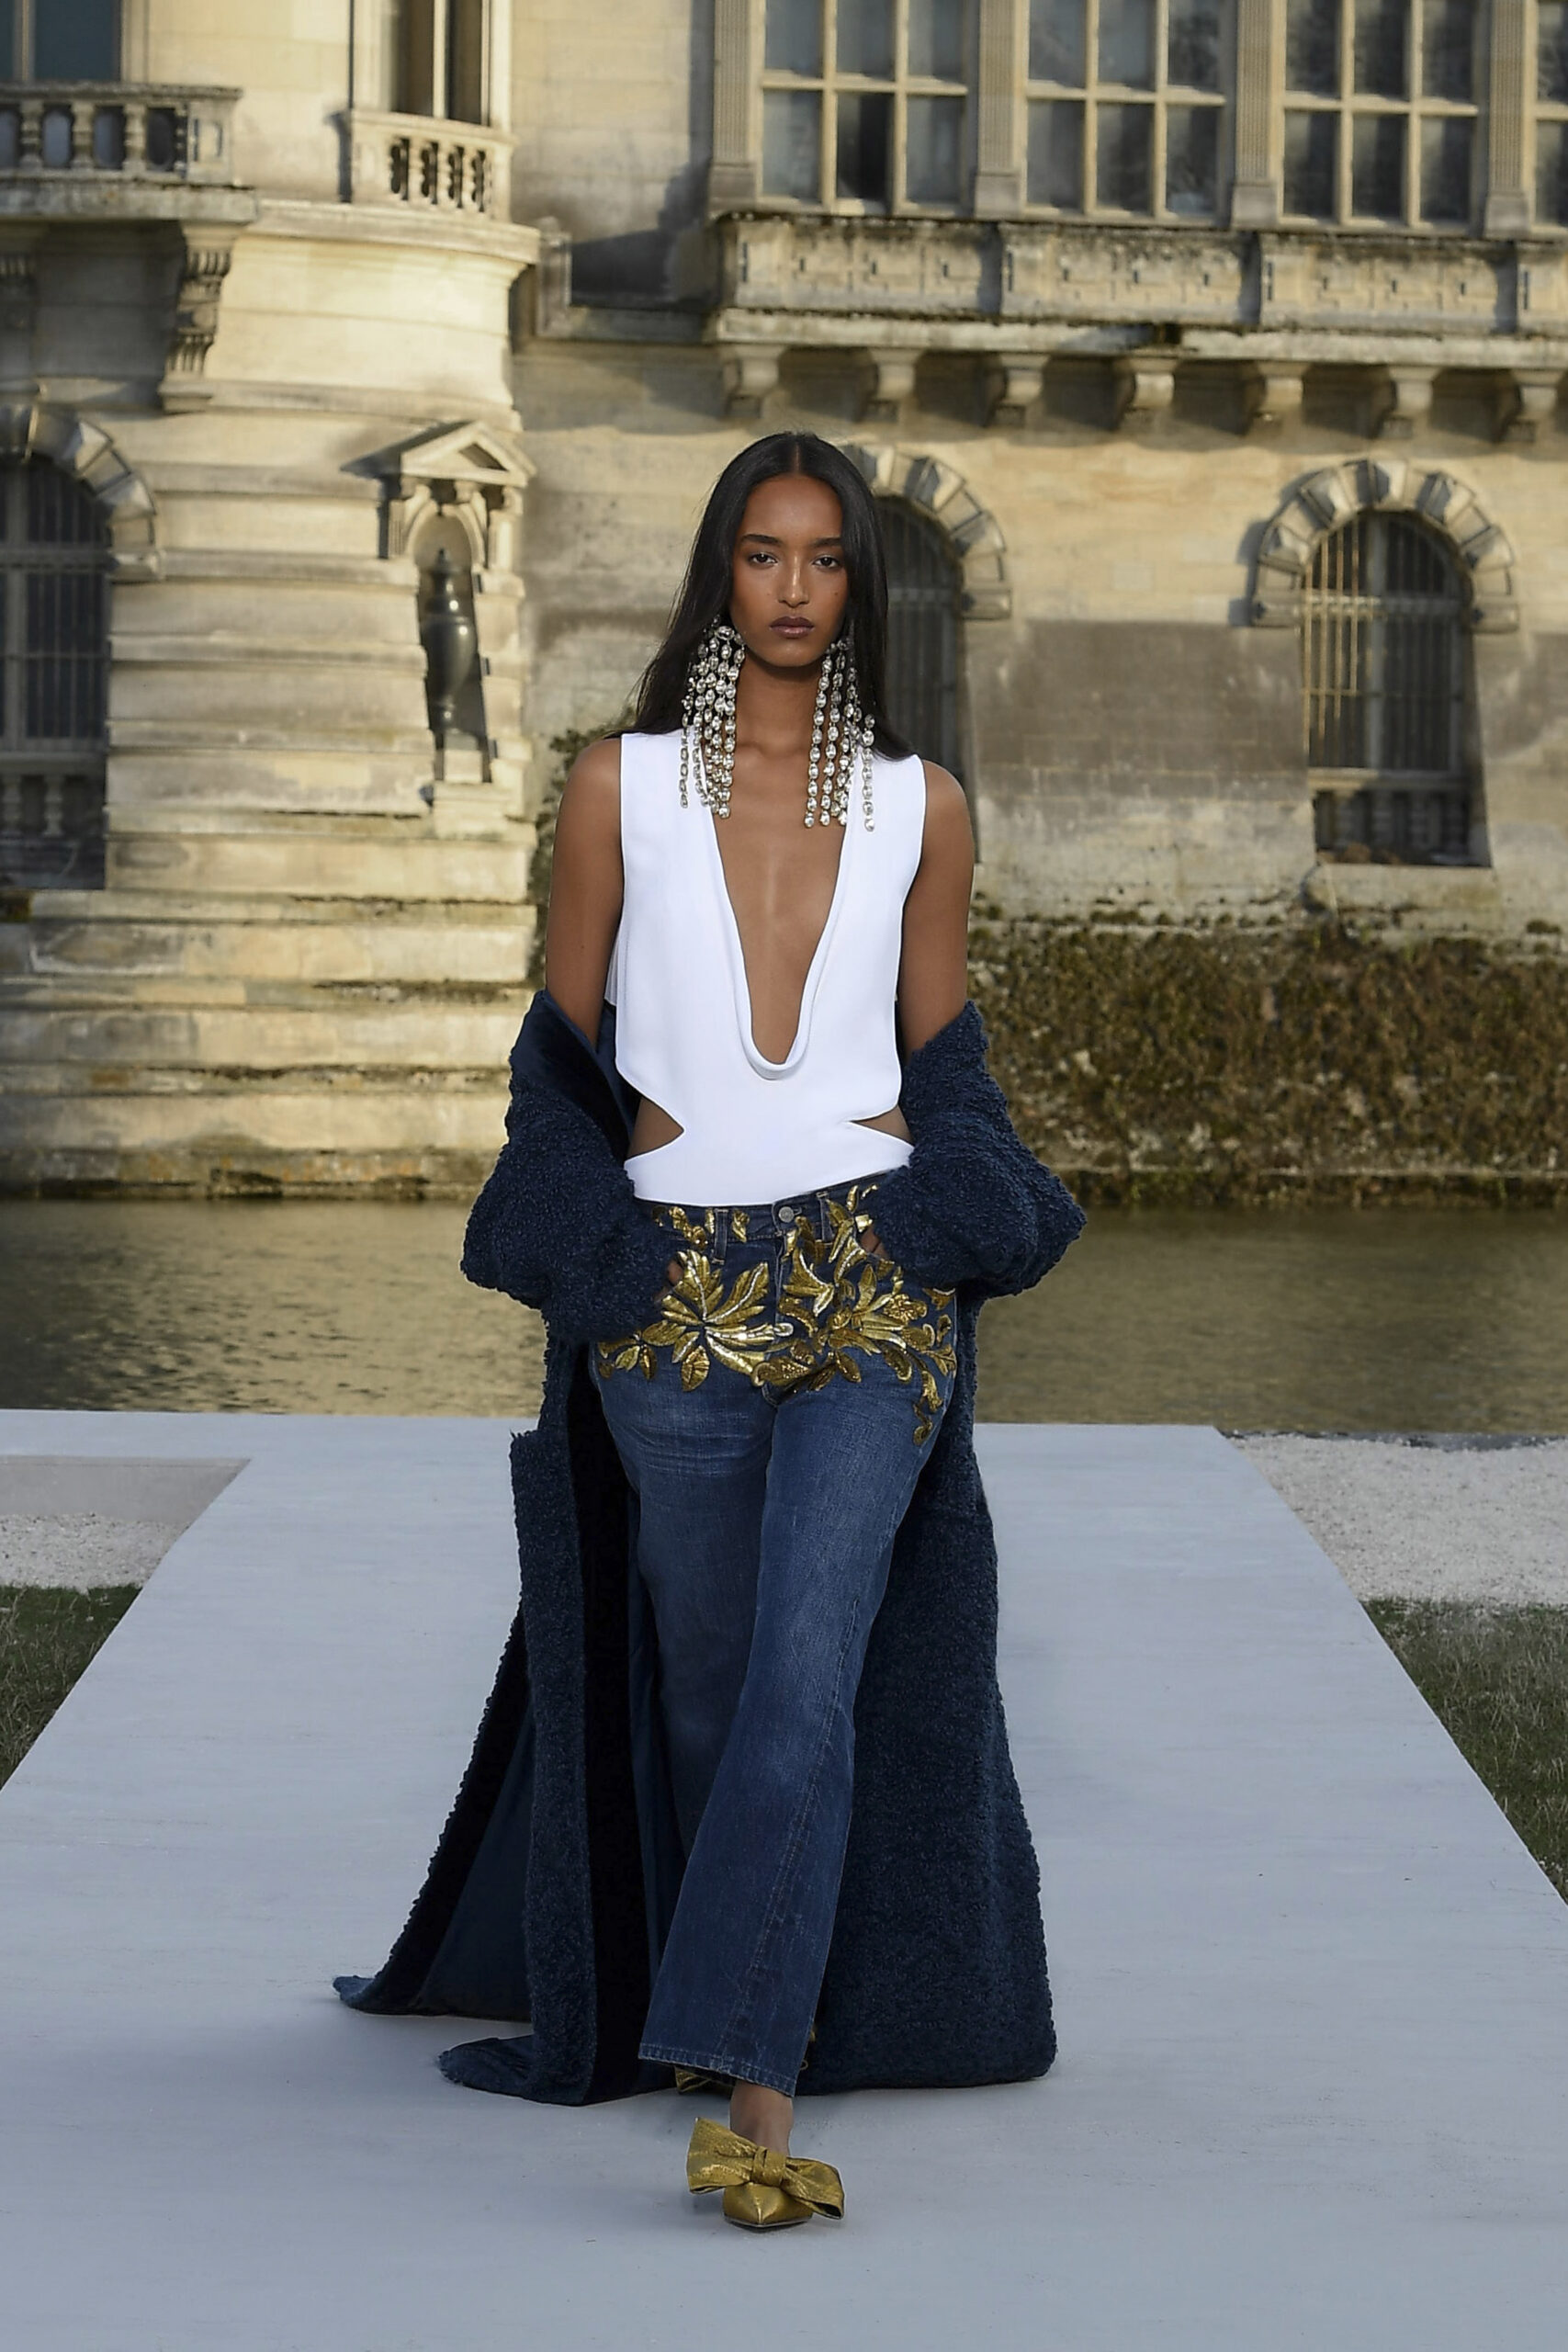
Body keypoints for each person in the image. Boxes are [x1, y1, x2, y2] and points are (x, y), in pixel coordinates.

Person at [335, 432, 1084, 2235]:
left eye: (824, 559)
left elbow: (944, 1060)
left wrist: (944, 1215)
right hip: (670, 1294)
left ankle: (754, 2093)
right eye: (763, 553)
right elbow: (560, 1061)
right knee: (702, 1689)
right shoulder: (617, 788)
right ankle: (718, 1992)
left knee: (808, 1674)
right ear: (718, 573)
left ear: (859, 586)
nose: (794, 587)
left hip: (868, 1280)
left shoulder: (923, 805)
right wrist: (596, 1255)